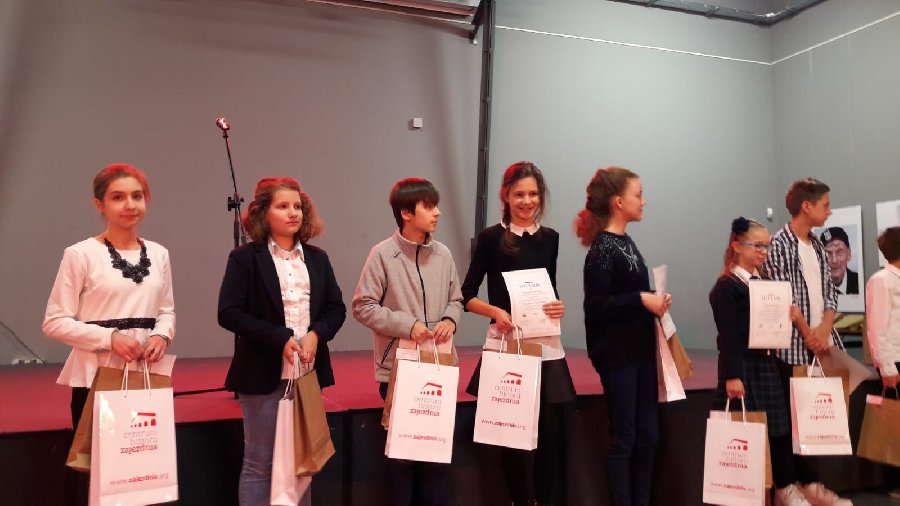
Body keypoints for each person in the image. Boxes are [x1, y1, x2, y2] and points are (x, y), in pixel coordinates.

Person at [42, 163, 175, 506]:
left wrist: (161, 336)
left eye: (137, 196)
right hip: (96, 379)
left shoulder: (159, 253)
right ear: (99, 204)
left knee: (145, 476)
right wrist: (110, 338)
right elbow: (54, 321)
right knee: (102, 482)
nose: (130, 204)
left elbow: (166, 311)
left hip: (146, 378)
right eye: (118, 197)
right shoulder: (80, 254)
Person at [218, 177, 346, 506]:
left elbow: (336, 309)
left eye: (298, 206)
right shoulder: (245, 258)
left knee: (303, 461)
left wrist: (317, 334)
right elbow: (229, 313)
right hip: (261, 371)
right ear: (263, 213)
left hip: (306, 373)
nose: (293, 213)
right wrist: (279, 338)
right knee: (259, 462)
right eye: (283, 206)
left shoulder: (317, 258)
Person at [461, 162, 575, 506]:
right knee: (511, 436)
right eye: (519, 194)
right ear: (505, 196)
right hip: (507, 345)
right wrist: (495, 312)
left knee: (549, 436)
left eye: (533, 194)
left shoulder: (551, 238)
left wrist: (557, 306)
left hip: (546, 346)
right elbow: (466, 295)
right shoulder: (489, 238)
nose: (527, 201)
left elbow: (549, 289)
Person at [351, 177, 463, 506]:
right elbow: (362, 306)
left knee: (436, 460)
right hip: (399, 372)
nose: (437, 212)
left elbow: (456, 299)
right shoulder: (382, 254)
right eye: (429, 206)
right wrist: (407, 325)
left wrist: (450, 320)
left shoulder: (443, 254)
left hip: (439, 368)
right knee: (402, 460)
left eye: (436, 205)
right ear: (406, 213)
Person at [575, 167, 670, 506]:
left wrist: (653, 300)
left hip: (640, 351)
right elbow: (597, 307)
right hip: (617, 356)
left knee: (648, 436)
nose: (644, 201)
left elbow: (627, 295)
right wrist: (642, 299)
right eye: (638, 195)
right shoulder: (602, 249)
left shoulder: (626, 242)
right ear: (618, 202)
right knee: (625, 437)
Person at [761, 178, 852, 506]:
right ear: (806, 206)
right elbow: (780, 296)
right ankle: (786, 486)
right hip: (789, 349)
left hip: (819, 347)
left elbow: (830, 290)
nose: (829, 211)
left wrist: (825, 329)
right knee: (787, 420)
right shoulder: (778, 244)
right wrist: (806, 332)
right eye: (825, 205)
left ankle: (810, 483)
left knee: (813, 419)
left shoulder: (816, 245)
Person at [709, 217, 812, 506]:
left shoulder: (765, 283)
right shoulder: (727, 286)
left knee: (779, 430)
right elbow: (729, 336)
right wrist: (733, 375)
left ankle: (784, 488)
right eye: (757, 245)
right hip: (742, 367)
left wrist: (788, 316)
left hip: (768, 363)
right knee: (745, 431)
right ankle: (748, 494)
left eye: (766, 246)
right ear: (736, 245)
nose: (764, 252)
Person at [866, 226, 900, 499]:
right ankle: (894, 482)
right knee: (894, 425)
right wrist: (887, 368)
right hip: (895, 361)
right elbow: (877, 328)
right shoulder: (881, 280)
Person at [819, 227, 859, 295]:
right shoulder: (814, 286)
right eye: (828, 253)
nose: (834, 260)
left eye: (839, 251)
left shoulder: (859, 282)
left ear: (849, 254)